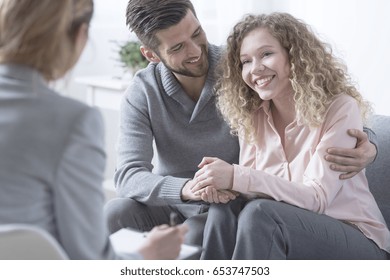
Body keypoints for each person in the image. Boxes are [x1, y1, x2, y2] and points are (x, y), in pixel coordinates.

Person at [104, 0, 378, 248]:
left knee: (215, 225)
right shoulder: (143, 91)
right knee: (114, 213)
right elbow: (128, 176)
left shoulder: (239, 67)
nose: (195, 50)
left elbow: (321, 107)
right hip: (188, 198)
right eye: (177, 47)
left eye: (197, 33)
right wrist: (187, 189)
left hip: (229, 203)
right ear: (151, 54)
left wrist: (370, 145)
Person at [191, 12, 390, 259]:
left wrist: (235, 175)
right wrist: (225, 188)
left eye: (266, 54)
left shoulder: (340, 108)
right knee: (225, 210)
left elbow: (317, 198)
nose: (256, 69)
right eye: (245, 61)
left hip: (357, 239)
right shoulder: (252, 118)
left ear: (294, 55)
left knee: (260, 214)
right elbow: (252, 190)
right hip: (289, 231)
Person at [0, 0, 187, 260]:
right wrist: (147, 255)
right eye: (177, 46)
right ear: (80, 35)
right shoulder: (73, 121)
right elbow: (91, 261)